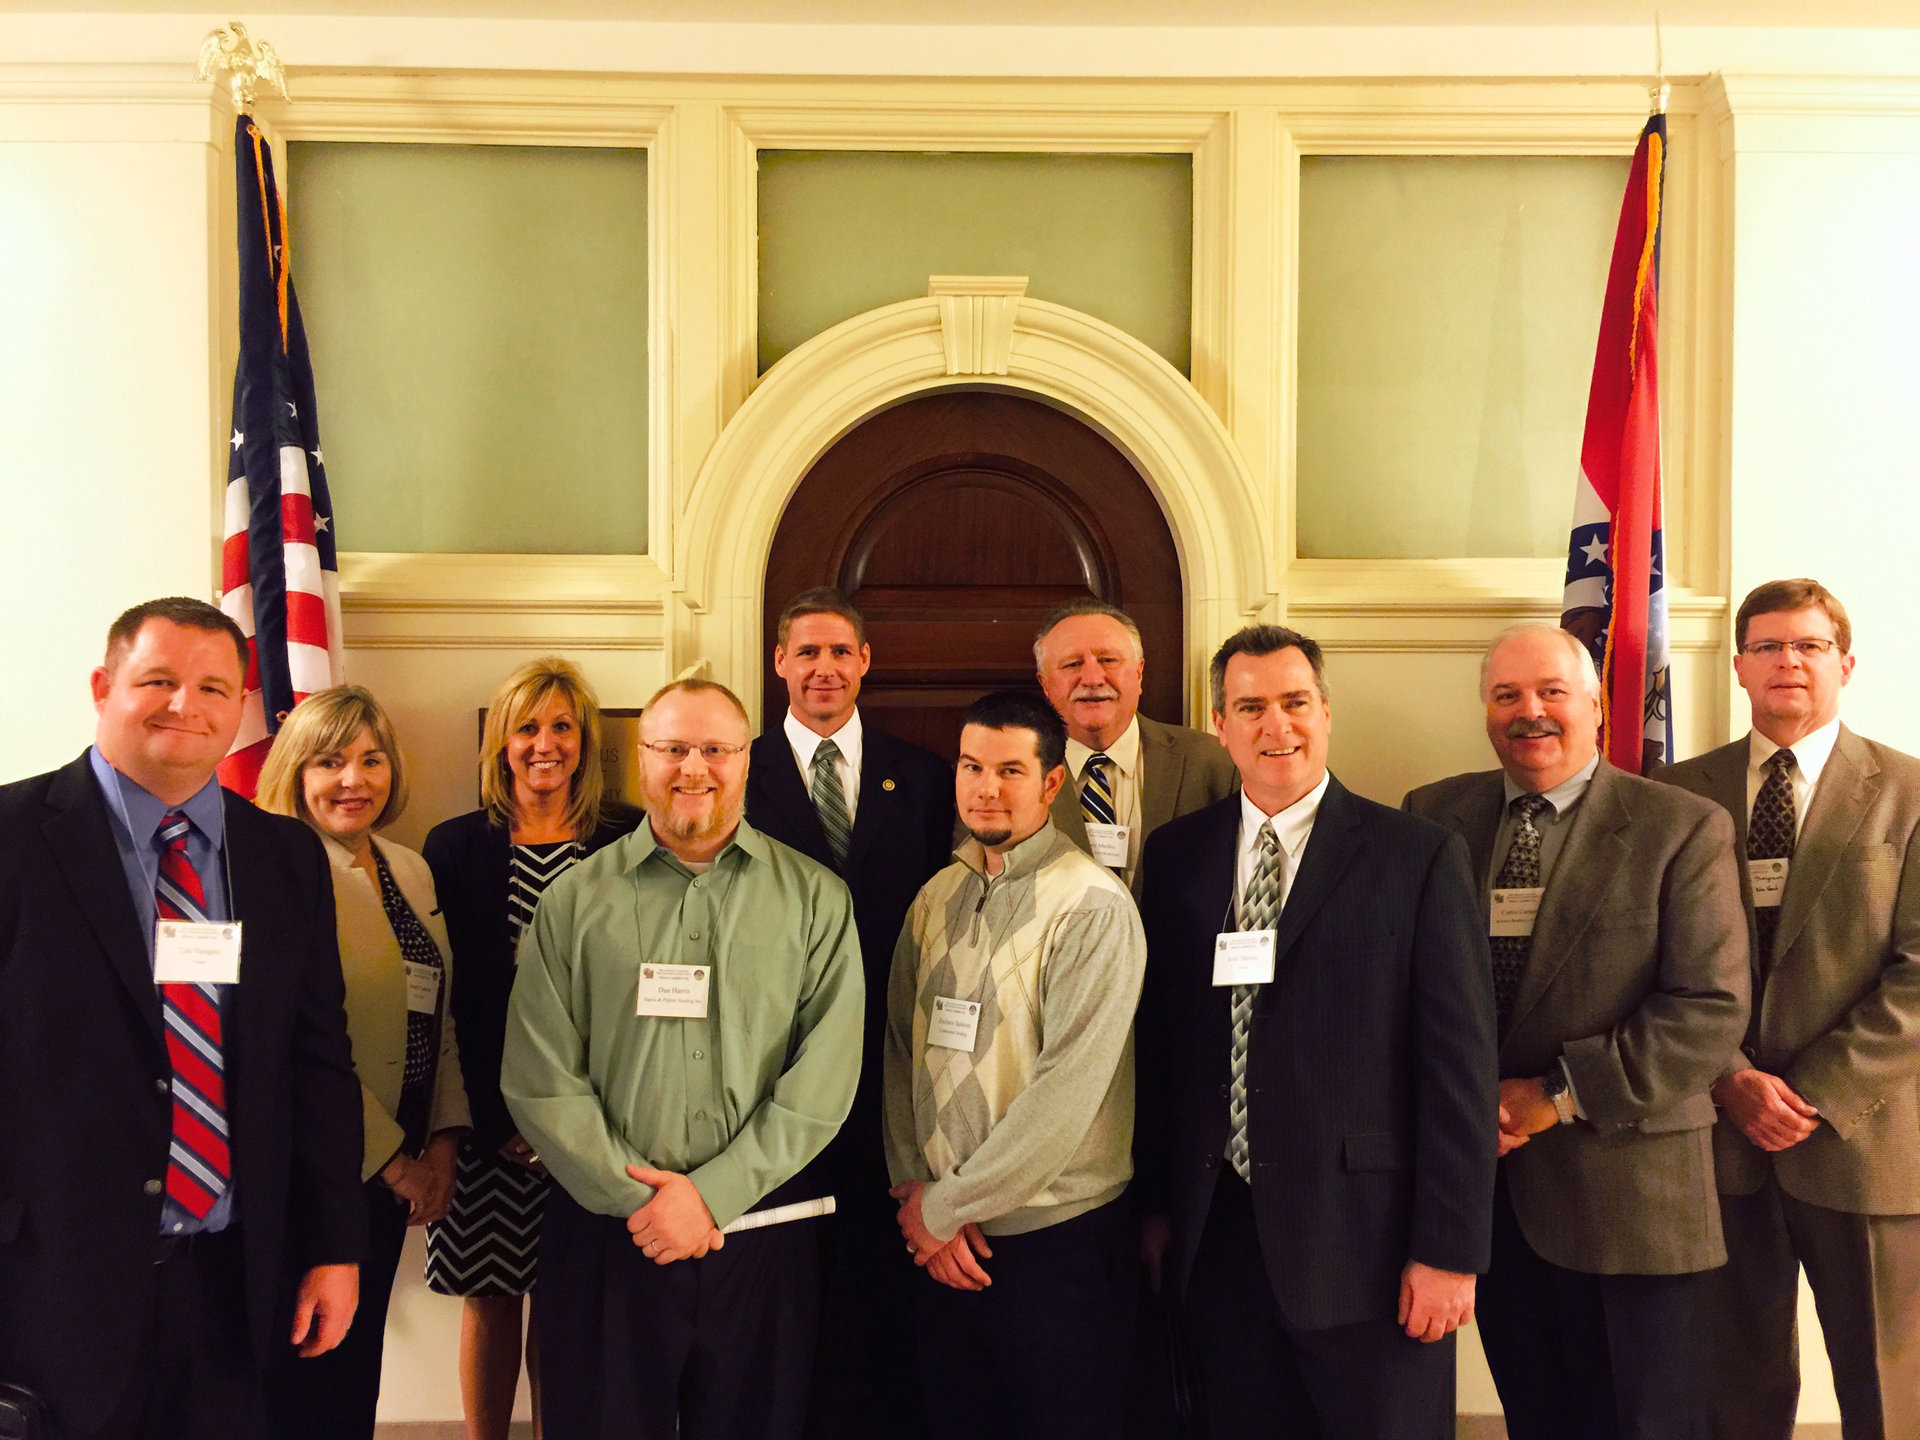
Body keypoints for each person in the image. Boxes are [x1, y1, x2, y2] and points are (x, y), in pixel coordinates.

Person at [0, 596, 363, 1440]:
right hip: (46, 1287)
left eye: (211, 687)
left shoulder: (284, 857)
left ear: (240, 707)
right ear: (103, 685)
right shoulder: (13, 839)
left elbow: (318, 1065)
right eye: (158, 680)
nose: (184, 706)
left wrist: (334, 1244)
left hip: (233, 1285)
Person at [1136, 625, 1496, 1440]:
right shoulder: (1180, 855)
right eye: (1251, 707)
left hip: (1366, 1243)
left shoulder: (1418, 856)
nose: (1277, 727)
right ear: (1220, 725)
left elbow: (1459, 1070)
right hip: (1218, 1237)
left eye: (1296, 703)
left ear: (1327, 713)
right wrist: (1157, 1206)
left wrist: (1449, 1250)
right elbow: (1163, 1047)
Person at [1404, 621, 1749, 1440]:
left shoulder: (1682, 826)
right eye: (1507, 695)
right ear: (1485, 710)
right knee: (1540, 1418)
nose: (1531, 712)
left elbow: (1709, 1009)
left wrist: (1552, 1096)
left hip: (1635, 1200)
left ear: (1596, 703)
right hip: (1487, 1196)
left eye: (1553, 691)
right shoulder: (1431, 815)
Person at [503, 678, 863, 1440]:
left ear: (744, 760)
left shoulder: (817, 900)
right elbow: (540, 1080)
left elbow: (823, 1080)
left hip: (761, 1233)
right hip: (607, 1240)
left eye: (715, 750)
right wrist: (645, 1202)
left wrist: (710, 1196)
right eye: (672, 748)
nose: (693, 767)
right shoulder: (571, 903)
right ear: (642, 759)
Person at [1660, 579, 1920, 1440]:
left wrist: (1807, 1094)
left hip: (1860, 1137)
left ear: (1845, 663)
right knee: (1730, 1390)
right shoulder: (1675, 794)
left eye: (1808, 646)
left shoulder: (1911, 793)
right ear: (1737, 666)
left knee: (1887, 1391)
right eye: (1768, 646)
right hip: (1717, 1138)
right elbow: (1650, 962)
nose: (1788, 662)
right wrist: (1733, 1080)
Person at [884, 689, 1147, 1440]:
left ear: (1052, 783)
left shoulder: (1092, 905)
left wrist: (945, 1209)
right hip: (938, 1243)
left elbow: (1067, 1092)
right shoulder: (935, 898)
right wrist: (917, 1192)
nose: (986, 787)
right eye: (971, 766)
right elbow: (900, 1052)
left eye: (1009, 770)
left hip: (1053, 1246)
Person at [744, 587, 954, 1439]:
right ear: (780, 663)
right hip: (771, 1067)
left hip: (897, 1065)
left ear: (865, 662)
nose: (824, 668)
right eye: (808, 652)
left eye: (841, 652)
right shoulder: (737, 770)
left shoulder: (929, 774)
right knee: (782, 1278)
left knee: (881, 1268)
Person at [422, 658, 641, 1440]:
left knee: (569, 1301)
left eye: (561, 727)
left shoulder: (625, 838)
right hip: (489, 1126)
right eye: (526, 728)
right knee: (492, 1295)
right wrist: (500, 1120)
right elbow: (454, 996)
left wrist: (573, 1126)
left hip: (595, 1122)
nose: (544, 744)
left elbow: (632, 996)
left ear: (584, 741)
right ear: (500, 743)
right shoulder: (454, 847)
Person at [253, 685, 470, 1438]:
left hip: (398, 1171)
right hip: (315, 1173)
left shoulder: (409, 867)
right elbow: (297, 1046)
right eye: (330, 761)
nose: (355, 779)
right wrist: (392, 1163)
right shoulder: (275, 871)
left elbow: (438, 1015)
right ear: (295, 771)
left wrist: (440, 1145)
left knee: (354, 1378)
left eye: (371, 759)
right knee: (304, 1377)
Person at [1035, 600, 1238, 895]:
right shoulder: (1010, 774)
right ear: (1045, 684)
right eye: (1072, 664)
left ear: (1139, 673)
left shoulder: (1212, 763)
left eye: (1108, 660)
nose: (1092, 678)